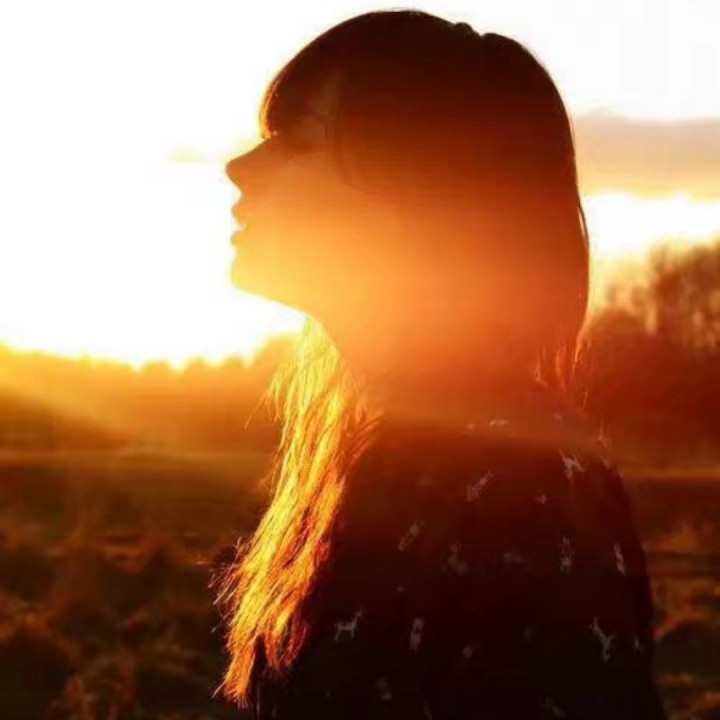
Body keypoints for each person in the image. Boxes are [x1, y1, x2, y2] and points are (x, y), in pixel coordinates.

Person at [218, 9, 668, 719]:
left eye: (298, 140)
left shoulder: (518, 486)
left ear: (423, 195)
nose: (240, 168)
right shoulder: (397, 450)